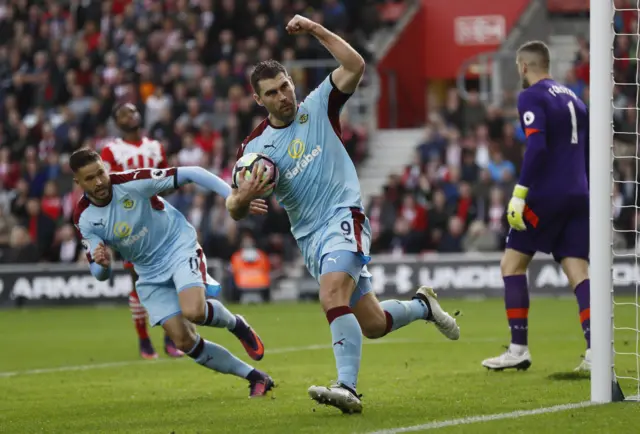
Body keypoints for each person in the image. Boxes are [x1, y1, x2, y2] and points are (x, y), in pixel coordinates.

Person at [226, 14, 460, 413]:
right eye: (273, 92)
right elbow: (232, 206)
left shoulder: (318, 104)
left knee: (332, 293)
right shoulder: (254, 147)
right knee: (372, 324)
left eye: (285, 85)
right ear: (258, 100)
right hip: (310, 237)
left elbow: (355, 66)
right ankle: (424, 306)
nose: (284, 95)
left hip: (343, 215)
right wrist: (243, 198)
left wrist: (316, 30)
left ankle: (347, 388)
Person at [71, 148, 275, 397]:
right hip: (147, 271)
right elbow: (100, 274)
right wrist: (101, 265)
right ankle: (255, 377)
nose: (99, 181)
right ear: (78, 182)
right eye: (90, 178)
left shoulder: (132, 182)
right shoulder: (84, 218)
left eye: (100, 173)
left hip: (177, 247)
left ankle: (236, 324)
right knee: (184, 341)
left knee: (194, 311)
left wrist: (233, 196)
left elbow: (192, 173)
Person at [481, 41, 591, 372]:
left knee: (512, 265)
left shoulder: (531, 95)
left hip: (545, 196)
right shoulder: (574, 97)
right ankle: (595, 350)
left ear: (524, 66)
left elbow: (537, 147)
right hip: (578, 192)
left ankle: (518, 349)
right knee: (578, 272)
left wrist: (520, 192)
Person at [101, 103, 180, 360]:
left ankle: (172, 337)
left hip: (159, 220)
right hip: (131, 225)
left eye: (132, 111)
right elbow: (108, 187)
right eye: (123, 113)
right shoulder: (111, 151)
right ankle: (144, 339)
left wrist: (165, 185)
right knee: (139, 283)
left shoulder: (155, 147)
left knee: (170, 280)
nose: (129, 116)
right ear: (116, 121)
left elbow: (168, 181)